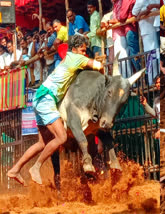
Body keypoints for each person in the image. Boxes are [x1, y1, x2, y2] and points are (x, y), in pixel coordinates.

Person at [7, 35, 104, 185]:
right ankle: (36, 167)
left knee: (42, 143)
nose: (84, 53)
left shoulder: (71, 56)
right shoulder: (77, 58)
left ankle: (15, 169)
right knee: (62, 137)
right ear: (74, 49)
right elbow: (99, 66)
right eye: (82, 50)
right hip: (47, 98)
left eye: (85, 51)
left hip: (40, 97)